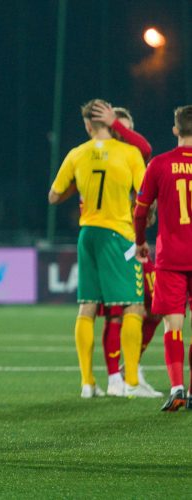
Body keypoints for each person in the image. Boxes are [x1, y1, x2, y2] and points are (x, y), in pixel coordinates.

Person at [49, 98, 150, 398]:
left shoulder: (76, 154)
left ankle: (87, 383)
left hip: (87, 233)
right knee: (134, 305)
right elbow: (145, 194)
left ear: (87, 125)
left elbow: (54, 196)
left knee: (88, 306)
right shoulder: (129, 152)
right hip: (118, 234)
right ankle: (131, 380)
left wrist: (77, 189)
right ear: (109, 121)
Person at [90, 102, 162, 397]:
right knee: (119, 311)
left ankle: (130, 368)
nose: (126, 136)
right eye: (120, 130)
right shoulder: (102, 157)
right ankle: (120, 377)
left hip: (135, 243)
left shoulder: (131, 160)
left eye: (128, 131)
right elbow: (145, 147)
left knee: (156, 305)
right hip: (117, 243)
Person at [135, 105, 192, 411]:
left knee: (174, 325)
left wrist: (141, 241)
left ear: (175, 130)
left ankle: (177, 387)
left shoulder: (159, 164)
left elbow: (140, 210)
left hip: (171, 257)